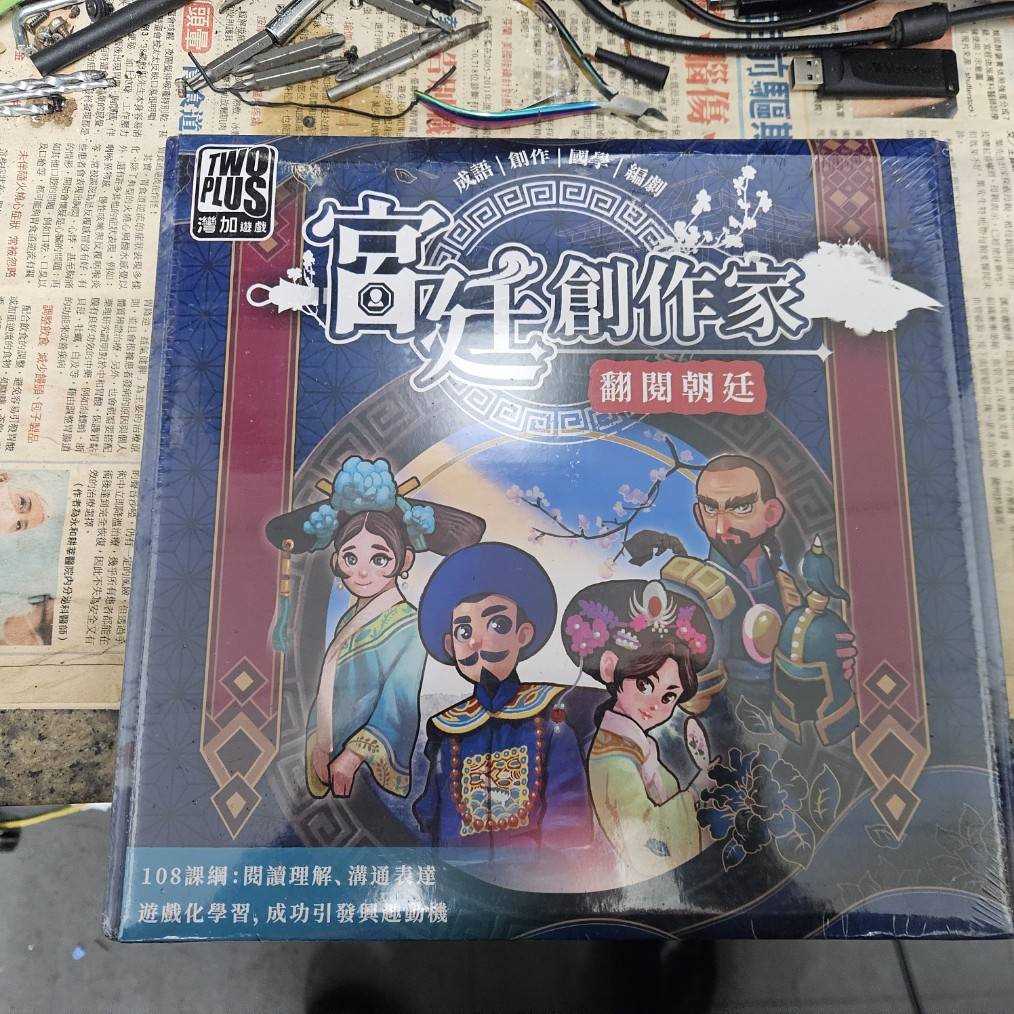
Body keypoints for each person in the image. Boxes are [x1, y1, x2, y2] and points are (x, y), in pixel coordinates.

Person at [265, 455, 484, 801]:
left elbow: (398, 700)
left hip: (366, 759)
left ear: (404, 560)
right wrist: (321, 744)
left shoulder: (409, 623)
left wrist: (352, 757)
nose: (363, 572)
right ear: (337, 561)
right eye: (351, 558)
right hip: (330, 750)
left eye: (379, 558)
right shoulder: (348, 619)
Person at [413, 542, 592, 851]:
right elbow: (430, 816)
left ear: (523, 634)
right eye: (464, 631)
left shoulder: (550, 719)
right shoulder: (447, 731)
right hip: (457, 870)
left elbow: (568, 817)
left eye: (497, 624)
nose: (476, 641)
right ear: (450, 645)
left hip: (537, 873)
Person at [562, 579, 713, 884]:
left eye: (669, 697)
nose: (654, 704)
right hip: (618, 879)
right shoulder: (612, 756)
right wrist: (698, 792)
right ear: (609, 668)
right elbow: (645, 843)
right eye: (644, 684)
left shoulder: (636, 747)